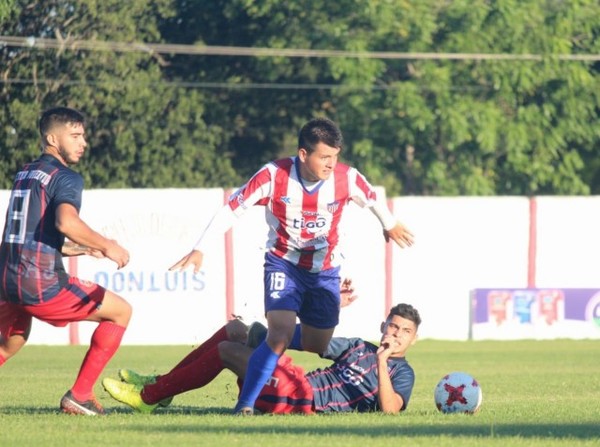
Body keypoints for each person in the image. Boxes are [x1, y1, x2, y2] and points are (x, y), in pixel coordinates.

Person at [169, 117, 415, 414]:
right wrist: (200, 249)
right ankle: (245, 405)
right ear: (303, 154)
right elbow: (233, 208)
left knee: (316, 342)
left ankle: (259, 336)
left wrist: (388, 224)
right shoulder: (273, 176)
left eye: (335, 157)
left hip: (324, 272)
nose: (330, 164)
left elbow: (372, 197)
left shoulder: (346, 178)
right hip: (283, 264)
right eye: (324, 157)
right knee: (281, 334)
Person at [0, 106, 132, 416]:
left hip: (7, 279)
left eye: (83, 135)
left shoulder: (25, 172)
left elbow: (28, 233)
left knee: (11, 343)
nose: (83, 142)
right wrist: (107, 245)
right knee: (121, 312)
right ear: (51, 138)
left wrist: (76, 249)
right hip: (39, 284)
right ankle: (80, 396)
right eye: (74, 135)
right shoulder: (66, 177)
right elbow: (65, 222)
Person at [102, 302, 421, 415]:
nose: (396, 333)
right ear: (383, 326)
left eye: (405, 331)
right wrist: (269, 330)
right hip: (294, 380)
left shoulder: (403, 374)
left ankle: (150, 396)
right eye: (393, 326)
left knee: (227, 352)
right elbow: (304, 339)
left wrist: (382, 361)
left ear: (413, 338)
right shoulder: (357, 346)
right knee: (235, 330)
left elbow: (390, 410)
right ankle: (162, 387)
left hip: (302, 400)